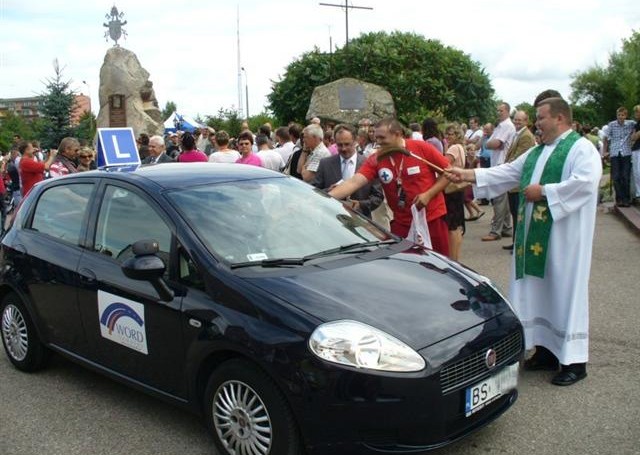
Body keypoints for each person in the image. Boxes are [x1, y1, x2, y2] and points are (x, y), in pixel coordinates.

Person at [446, 96, 602, 386]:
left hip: (565, 242)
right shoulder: (537, 152)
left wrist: (544, 192)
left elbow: (585, 183)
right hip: (534, 241)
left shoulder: (582, 149)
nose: (536, 123)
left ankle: (574, 362)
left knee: (564, 292)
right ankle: (545, 351)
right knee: (538, 290)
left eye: (541, 117)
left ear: (559, 118)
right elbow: (507, 173)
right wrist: (467, 174)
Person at [329, 118, 450, 256]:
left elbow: (448, 173)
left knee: (441, 264)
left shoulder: (420, 148)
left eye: (382, 138)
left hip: (432, 219)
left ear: (397, 134)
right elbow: (354, 182)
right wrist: (324, 198)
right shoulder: (377, 158)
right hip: (402, 223)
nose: (378, 142)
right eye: (376, 138)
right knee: (407, 266)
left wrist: (428, 194)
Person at [311, 124, 383, 218]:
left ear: (355, 141)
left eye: (347, 144)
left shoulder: (369, 164)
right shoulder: (325, 164)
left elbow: (377, 197)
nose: (343, 148)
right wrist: (328, 191)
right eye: (339, 145)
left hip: (360, 220)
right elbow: (314, 190)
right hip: (330, 218)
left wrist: (360, 205)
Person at [502, 110, 536, 251]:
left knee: (518, 215)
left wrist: (504, 168)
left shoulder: (526, 136)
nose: (516, 122)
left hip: (518, 183)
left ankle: (518, 244)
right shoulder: (519, 134)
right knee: (515, 214)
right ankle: (515, 242)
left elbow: (519, 159)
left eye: (520, 120)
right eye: (515, 119)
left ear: (526, 121)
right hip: (513, 184)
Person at [481, 102, 516, 242]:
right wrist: (490, 142)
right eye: (497, 110)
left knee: (499, 199)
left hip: (501, 164)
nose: (498, 113)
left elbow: (495, 143)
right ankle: (506, 227)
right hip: (498, 163)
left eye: (501, 110)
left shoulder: (507, 126)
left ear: (507, 111)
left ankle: (496, 231)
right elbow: (492, 142)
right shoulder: (501, 126)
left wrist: (488, 143)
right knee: (503, 199)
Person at [442, 124, 467, 261]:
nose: (447, 136)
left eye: (450, 134)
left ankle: (453, 258)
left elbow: (444, 164)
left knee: (452, 225)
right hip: (458, 188)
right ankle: (455, 257)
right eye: (446, 134)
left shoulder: (453, 148)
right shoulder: (461, 148)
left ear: (456, 135)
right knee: (457, 225)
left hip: (451, 188)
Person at [602, 106, 635, 207]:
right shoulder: (612, 125)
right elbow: (605, 138)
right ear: (617, 115)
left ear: (626, 115)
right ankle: (619, 198)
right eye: (619, 115)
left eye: (623, 115)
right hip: (615, 153)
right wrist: (605, 151)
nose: (621, 117)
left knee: (625, 176)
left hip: (626, 152)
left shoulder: (631, 124)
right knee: (616, 176)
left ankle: (626, 198)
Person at [631, 104, 640, 205]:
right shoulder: (636, 124)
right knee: (636, 172)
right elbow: (633, 137)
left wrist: (636, 135)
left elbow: (635, 136)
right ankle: (638, 193)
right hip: (635, 148)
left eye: (637, 111)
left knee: (639, 171)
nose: (636, 114)